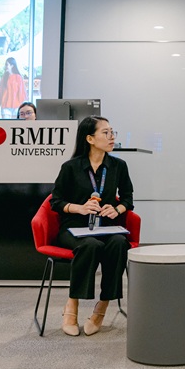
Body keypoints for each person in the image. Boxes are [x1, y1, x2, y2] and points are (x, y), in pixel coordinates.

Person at [50, 116, 135, 336]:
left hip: (107, 227)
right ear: (89, 138)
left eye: (112, 132)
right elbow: (55, 202)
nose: (112, 137)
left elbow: (128, 199)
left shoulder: (118, 166)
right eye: (105, 133)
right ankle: (72, 305)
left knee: (118, 243)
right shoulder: (71, 167)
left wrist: (116, 210)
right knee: (90, 245)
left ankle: (102, 306)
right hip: (74, 228)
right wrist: (79, 208)